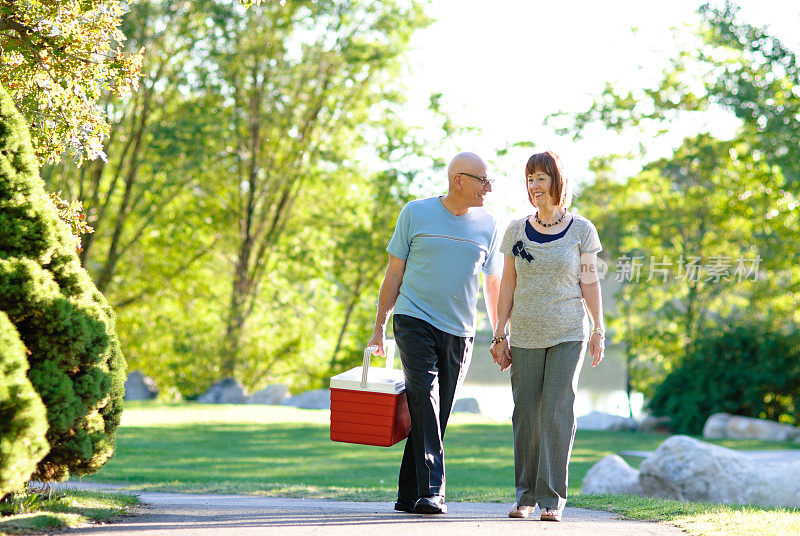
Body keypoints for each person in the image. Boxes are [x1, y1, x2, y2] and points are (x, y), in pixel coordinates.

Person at [367, 152, 503, 515]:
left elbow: (492, 285)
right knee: (424, 396)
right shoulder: (415, 213)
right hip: (413, 319)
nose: (489, 188)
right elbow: (394, 273)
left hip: (460, 330)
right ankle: (434, 490)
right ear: (458, 179)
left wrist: (500, 333)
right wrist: (379, 327)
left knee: (436, 413)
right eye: (482, 180)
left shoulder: (489, 224)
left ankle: (407, 495)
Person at [490, 150, 604, 522]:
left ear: (558, 182)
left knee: (556, 411)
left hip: (568, 332)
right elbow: (508, 283)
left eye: (541, 178)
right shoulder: (515, 230)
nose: (534, 185)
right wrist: (498, 332)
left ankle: (552, 499)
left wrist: (598, 328)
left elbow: (590, 280)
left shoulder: (583, 229)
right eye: (529, 178)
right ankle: (525, 495)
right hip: (524, 335)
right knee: (526, 413)